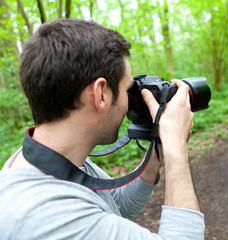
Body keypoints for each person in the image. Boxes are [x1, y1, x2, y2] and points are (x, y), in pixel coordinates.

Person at [0, 19, 205, 239]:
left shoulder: (46, 158)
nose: (131, 100)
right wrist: (176, 147)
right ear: (101, 94)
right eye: (128, 89)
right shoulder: (49, 216)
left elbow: (117, 205)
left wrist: (159, 149)